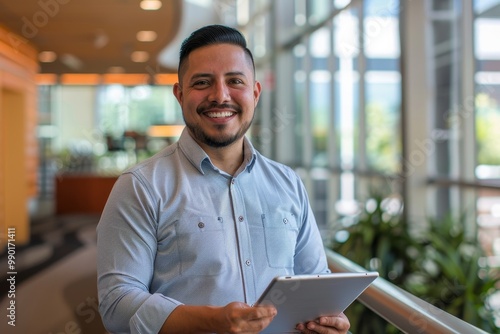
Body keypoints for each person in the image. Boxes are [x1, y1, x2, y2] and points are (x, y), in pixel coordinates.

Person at [97, 24, 350, 334]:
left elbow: (316, 283)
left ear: (255, 94)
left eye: (235, 81)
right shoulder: (141, 186)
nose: (220, 96)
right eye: (202, 82)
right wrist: (213, 322)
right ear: (180, 94)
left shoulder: (289, 184)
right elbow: (116, 304)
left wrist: (329, 320)